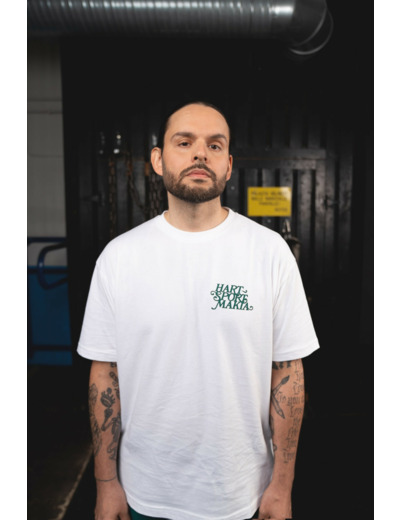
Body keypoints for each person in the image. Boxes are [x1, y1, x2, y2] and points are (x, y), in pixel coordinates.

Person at [77, 101, 320, 520]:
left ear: (228, 165)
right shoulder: (119, 258)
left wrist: (282, 486)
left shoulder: (269, 253)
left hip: (242, 494)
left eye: (214, 145)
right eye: (184, 142)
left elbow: (287, 375)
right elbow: (105, 375)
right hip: (145, 492)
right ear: (158, 159)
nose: (200, 154)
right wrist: (105, 483)